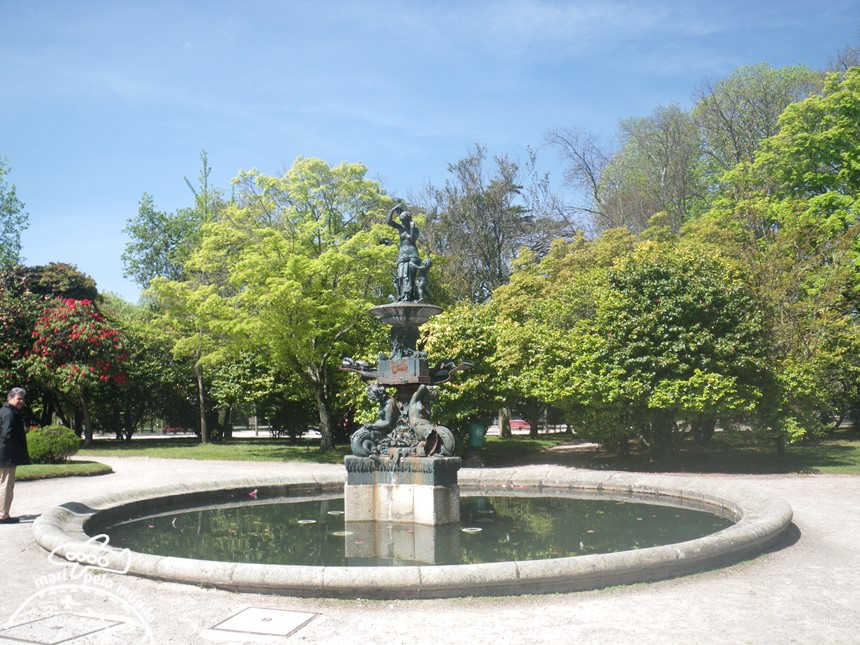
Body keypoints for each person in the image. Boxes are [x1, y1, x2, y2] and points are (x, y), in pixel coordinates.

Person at [0, 387, 29, 524]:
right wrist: (18, 450)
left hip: (3, 454)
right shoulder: (9, 414)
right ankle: (3, 516)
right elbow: (7, 436)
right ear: (9, 398)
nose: (21, 401)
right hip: (6, 456)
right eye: (18, 398)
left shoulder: (3, 411)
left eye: (22, 398)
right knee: (7, 485)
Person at [387, 204, 421, 301]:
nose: (404, 223)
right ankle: (401, 297)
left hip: (412, 256)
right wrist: (393, 209)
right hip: (402, 256)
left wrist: (411, 228)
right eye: (402, 221)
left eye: (405, 221)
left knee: (409, 278)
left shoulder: (415, 229)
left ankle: (409, 297)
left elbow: (412, 239)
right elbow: (389, 222)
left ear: (409, 220)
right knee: (400, 277)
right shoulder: (400, 228)